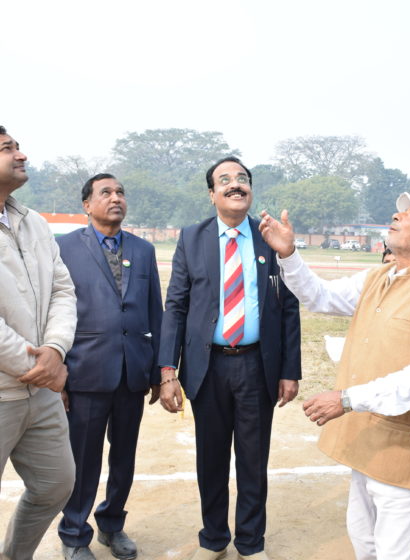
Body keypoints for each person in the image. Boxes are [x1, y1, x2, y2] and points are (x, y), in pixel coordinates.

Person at [259, 193, 410, 560]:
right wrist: (289, 254)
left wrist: (346, 399)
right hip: (368, 442)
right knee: (365, 543)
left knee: (397, 553)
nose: (398, 215)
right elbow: (320, 297)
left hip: (406, 450)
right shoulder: (380, 276)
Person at [159, 156, 301, 560]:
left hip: (257, 365)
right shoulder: (192, 238)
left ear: (250, 190)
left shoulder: (270, 236)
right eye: (225, 180)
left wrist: (290, 370)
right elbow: (176, 306)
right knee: (211, 459)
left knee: (254, 460)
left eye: (242, 178)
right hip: (208, 366)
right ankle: (214, 539)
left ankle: (251, 544)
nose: (235, 184)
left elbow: (289, 306)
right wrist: (168, 370)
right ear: (212, 194)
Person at [56, 173, 163, 560]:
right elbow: (53, 311)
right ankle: (74, 534)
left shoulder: (143, 250)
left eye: (120, 192)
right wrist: (58, 374)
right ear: (87, 205)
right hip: (85, 371)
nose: (116, 198)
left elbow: (155, 311)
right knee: (82, 459)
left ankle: (112, 524)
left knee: (124, 458)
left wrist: (158, 371)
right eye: (106, 193)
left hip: (132, 373)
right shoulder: (65, 248)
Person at [0, 125, 77, 560]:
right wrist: (37, 365)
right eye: (7, 149)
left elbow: (63, 291)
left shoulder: (34, 223)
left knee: (55, 485)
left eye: (18, 147)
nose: (21, 155)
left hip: (41, 393)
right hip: (6, 389)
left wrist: (56, 349)